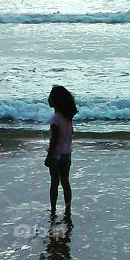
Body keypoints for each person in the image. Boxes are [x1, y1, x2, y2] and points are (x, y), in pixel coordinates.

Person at [44, 85, 76, 219]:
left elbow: (54, 140)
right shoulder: (68, 118)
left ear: (56, 100)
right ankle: (68, 209)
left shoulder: (55, 119)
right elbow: (70, 134)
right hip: (67, 154)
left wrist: (48, 156)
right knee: (65, 182)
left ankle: (53, 210)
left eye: (50, 96)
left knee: (54, 184)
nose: (48, 99)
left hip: (56, 155)